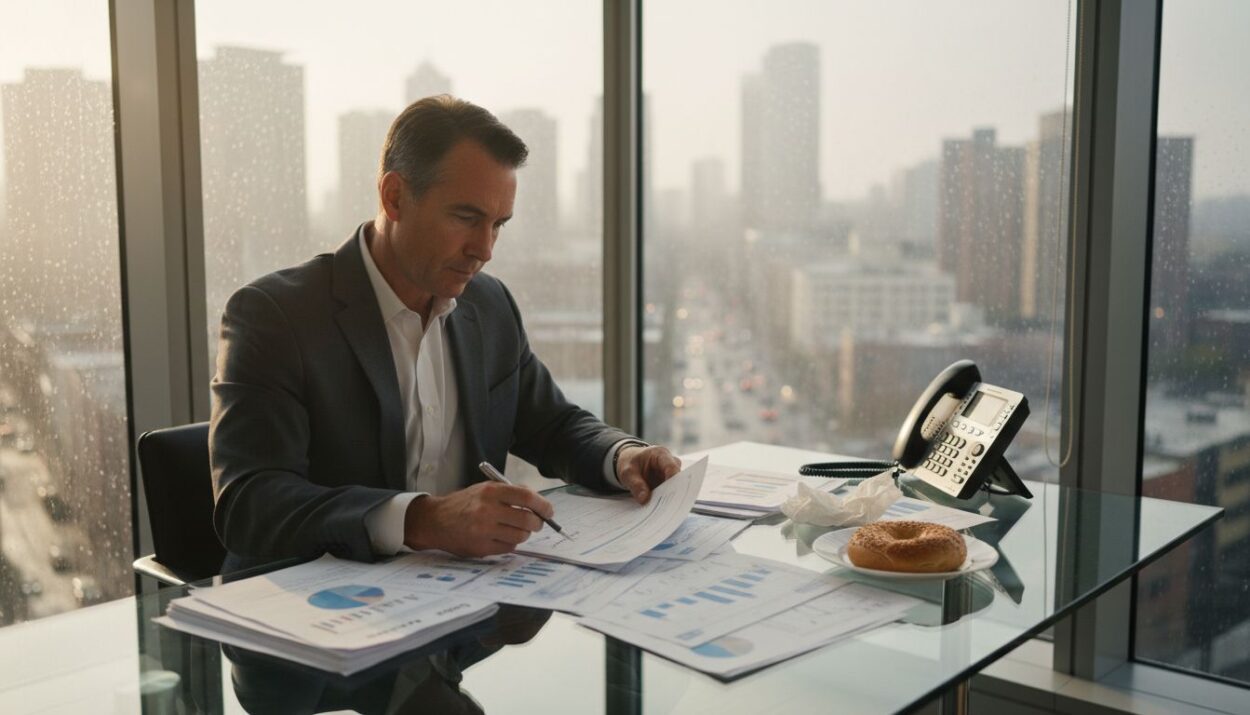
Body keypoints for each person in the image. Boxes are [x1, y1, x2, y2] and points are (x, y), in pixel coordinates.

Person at [210, 95, 681, 573]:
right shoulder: (276, 315)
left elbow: (552, 425)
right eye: (466, 218)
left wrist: (621, 455)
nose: (484, 250)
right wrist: (422, 519)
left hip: (460, 608)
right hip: (312, 616)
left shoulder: (490, 306)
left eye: (498, 225)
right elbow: (252, 503)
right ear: (394, 197)